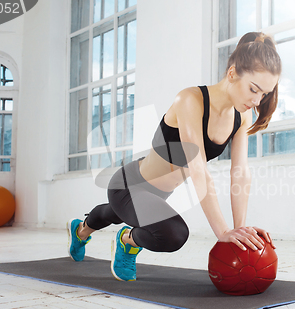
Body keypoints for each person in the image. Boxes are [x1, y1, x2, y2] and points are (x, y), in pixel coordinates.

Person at [67, 31, 282, 282]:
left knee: (113, 214)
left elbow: (240, 173)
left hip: (158, 195)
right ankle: (115, 238)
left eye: (264, 94)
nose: (257, 100)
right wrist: (222, 231)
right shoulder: (190, 100)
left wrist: (239, 228)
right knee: (173, 234)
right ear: (233, 73)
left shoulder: (242, 116)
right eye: (254, 89)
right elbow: (198, 169)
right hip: (128, 185)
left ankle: (89, 231)